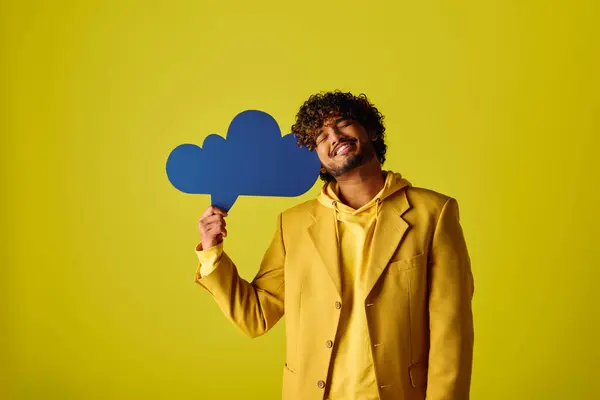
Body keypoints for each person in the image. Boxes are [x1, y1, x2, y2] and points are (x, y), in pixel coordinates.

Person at [194, 91, 475, 400]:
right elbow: (256, 317)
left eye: (344, 124)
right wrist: (212, 254)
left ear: (370, 131)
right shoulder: (294, 224)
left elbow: (452, 333)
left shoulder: (433, 213)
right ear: (316, 156)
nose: (335, 137)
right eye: (321, 136)